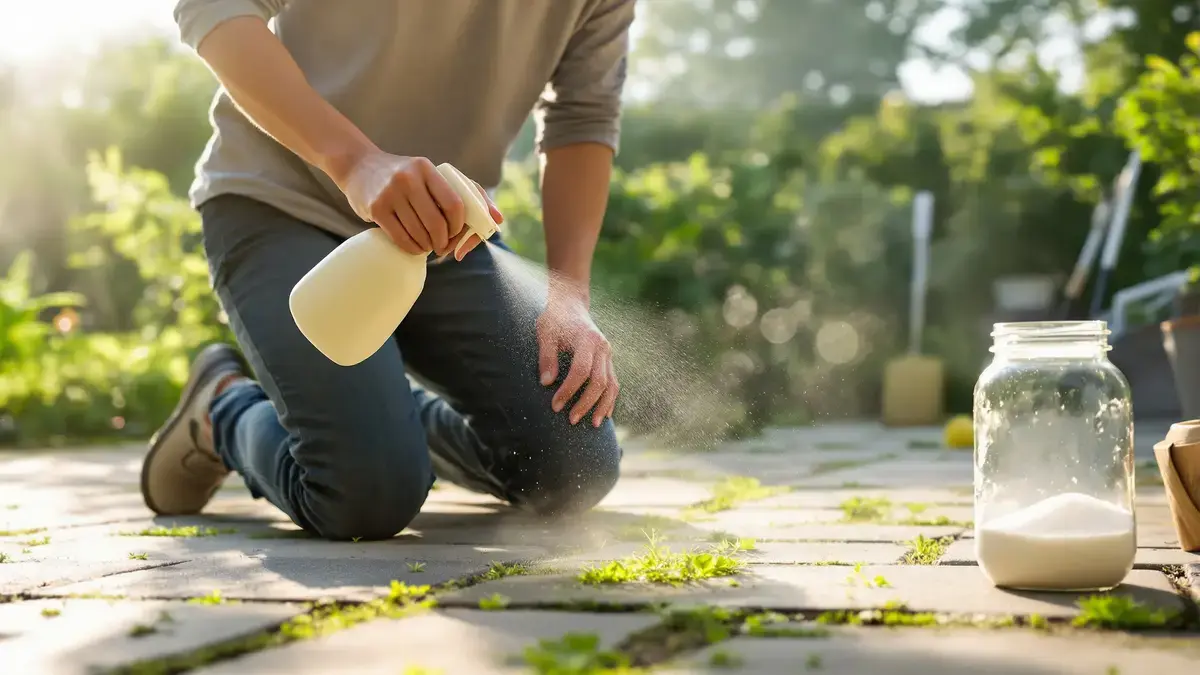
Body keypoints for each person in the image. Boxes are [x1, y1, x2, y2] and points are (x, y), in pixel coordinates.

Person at [141, 0, 633, 541]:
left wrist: (567, 296)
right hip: (279, 203)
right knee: (365, 498)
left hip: (443, 238)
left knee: (572, 467)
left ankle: (380, 418)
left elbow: (582, 119)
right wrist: (355, 162)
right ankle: (224, 410)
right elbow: (214, 9)